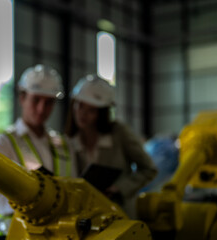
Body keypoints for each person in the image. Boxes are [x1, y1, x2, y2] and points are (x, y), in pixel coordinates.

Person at [0, 64, 77, 239]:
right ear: (22, 98)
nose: (42, 109)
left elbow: (73, 186)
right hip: (16, 234)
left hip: (60, 234)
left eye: (49, 102)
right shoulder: (3, 143)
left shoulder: (62, 145)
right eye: (36, 100)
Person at [65, 74, 157, 219]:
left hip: (119, 214)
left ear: (101, 113)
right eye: (80, 105)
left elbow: (148, 169)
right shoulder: (68, 141)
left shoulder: (119, 134)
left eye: (91, 110)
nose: (83, 114)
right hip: (86, 218)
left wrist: (119, 188)